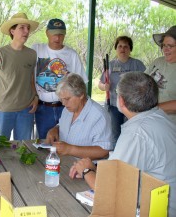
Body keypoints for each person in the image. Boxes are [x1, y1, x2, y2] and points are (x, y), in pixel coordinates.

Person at [70, 72, 176, 216]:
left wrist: (87, 171)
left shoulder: (136, 133)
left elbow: (111, 191)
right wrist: (94, 168)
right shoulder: (160, 116)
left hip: (160, 210)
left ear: (121, 101)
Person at [32, 18, 88, 139]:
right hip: (43, 108)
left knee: (66, 140)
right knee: (43, 142)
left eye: (61, 34)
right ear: (47, 33)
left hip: (66, 108)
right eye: (54, 34)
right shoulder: (36, 49)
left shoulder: (72, 54)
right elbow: (18, 55)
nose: (57, 38)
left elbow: (82, 84)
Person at [0, 13, 39, 140]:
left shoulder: (32, 54)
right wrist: (6, 93)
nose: (26, 31)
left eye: (28, 28)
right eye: (22, 27)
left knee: (24, 149)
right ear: (12, 30)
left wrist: (35, 97)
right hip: (3, 110)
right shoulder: (0, 54)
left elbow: (31, 78)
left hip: (26, 110)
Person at [45, 73, 113, 160]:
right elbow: (62, 125)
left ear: (81, 95)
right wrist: (55, 130)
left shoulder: (99, 116)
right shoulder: (68, 109)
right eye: (61, 99)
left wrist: (70, 149)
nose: (63, 104)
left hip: (87, 169)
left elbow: (104, 151)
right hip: (63, 163)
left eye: (67, 99)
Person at [98, 36, 146, 147]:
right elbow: (100, 84)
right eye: (120, 46)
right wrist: (104, 86)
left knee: (131, 133)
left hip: (133, 106)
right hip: (114, 105)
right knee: (115, 134)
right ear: (116, 49)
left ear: (130, 49)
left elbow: (146, 81)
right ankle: (115, 158)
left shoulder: (137, 64)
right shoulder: (110, 65)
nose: (122, 49)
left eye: (126, 46)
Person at [145, 25, 176, 125]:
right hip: (151, 121)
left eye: (170, 46)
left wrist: (152, 109)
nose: (165, 49)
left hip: (171, 126)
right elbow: (141, 81)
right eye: (163, 45)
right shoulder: (157, 62)